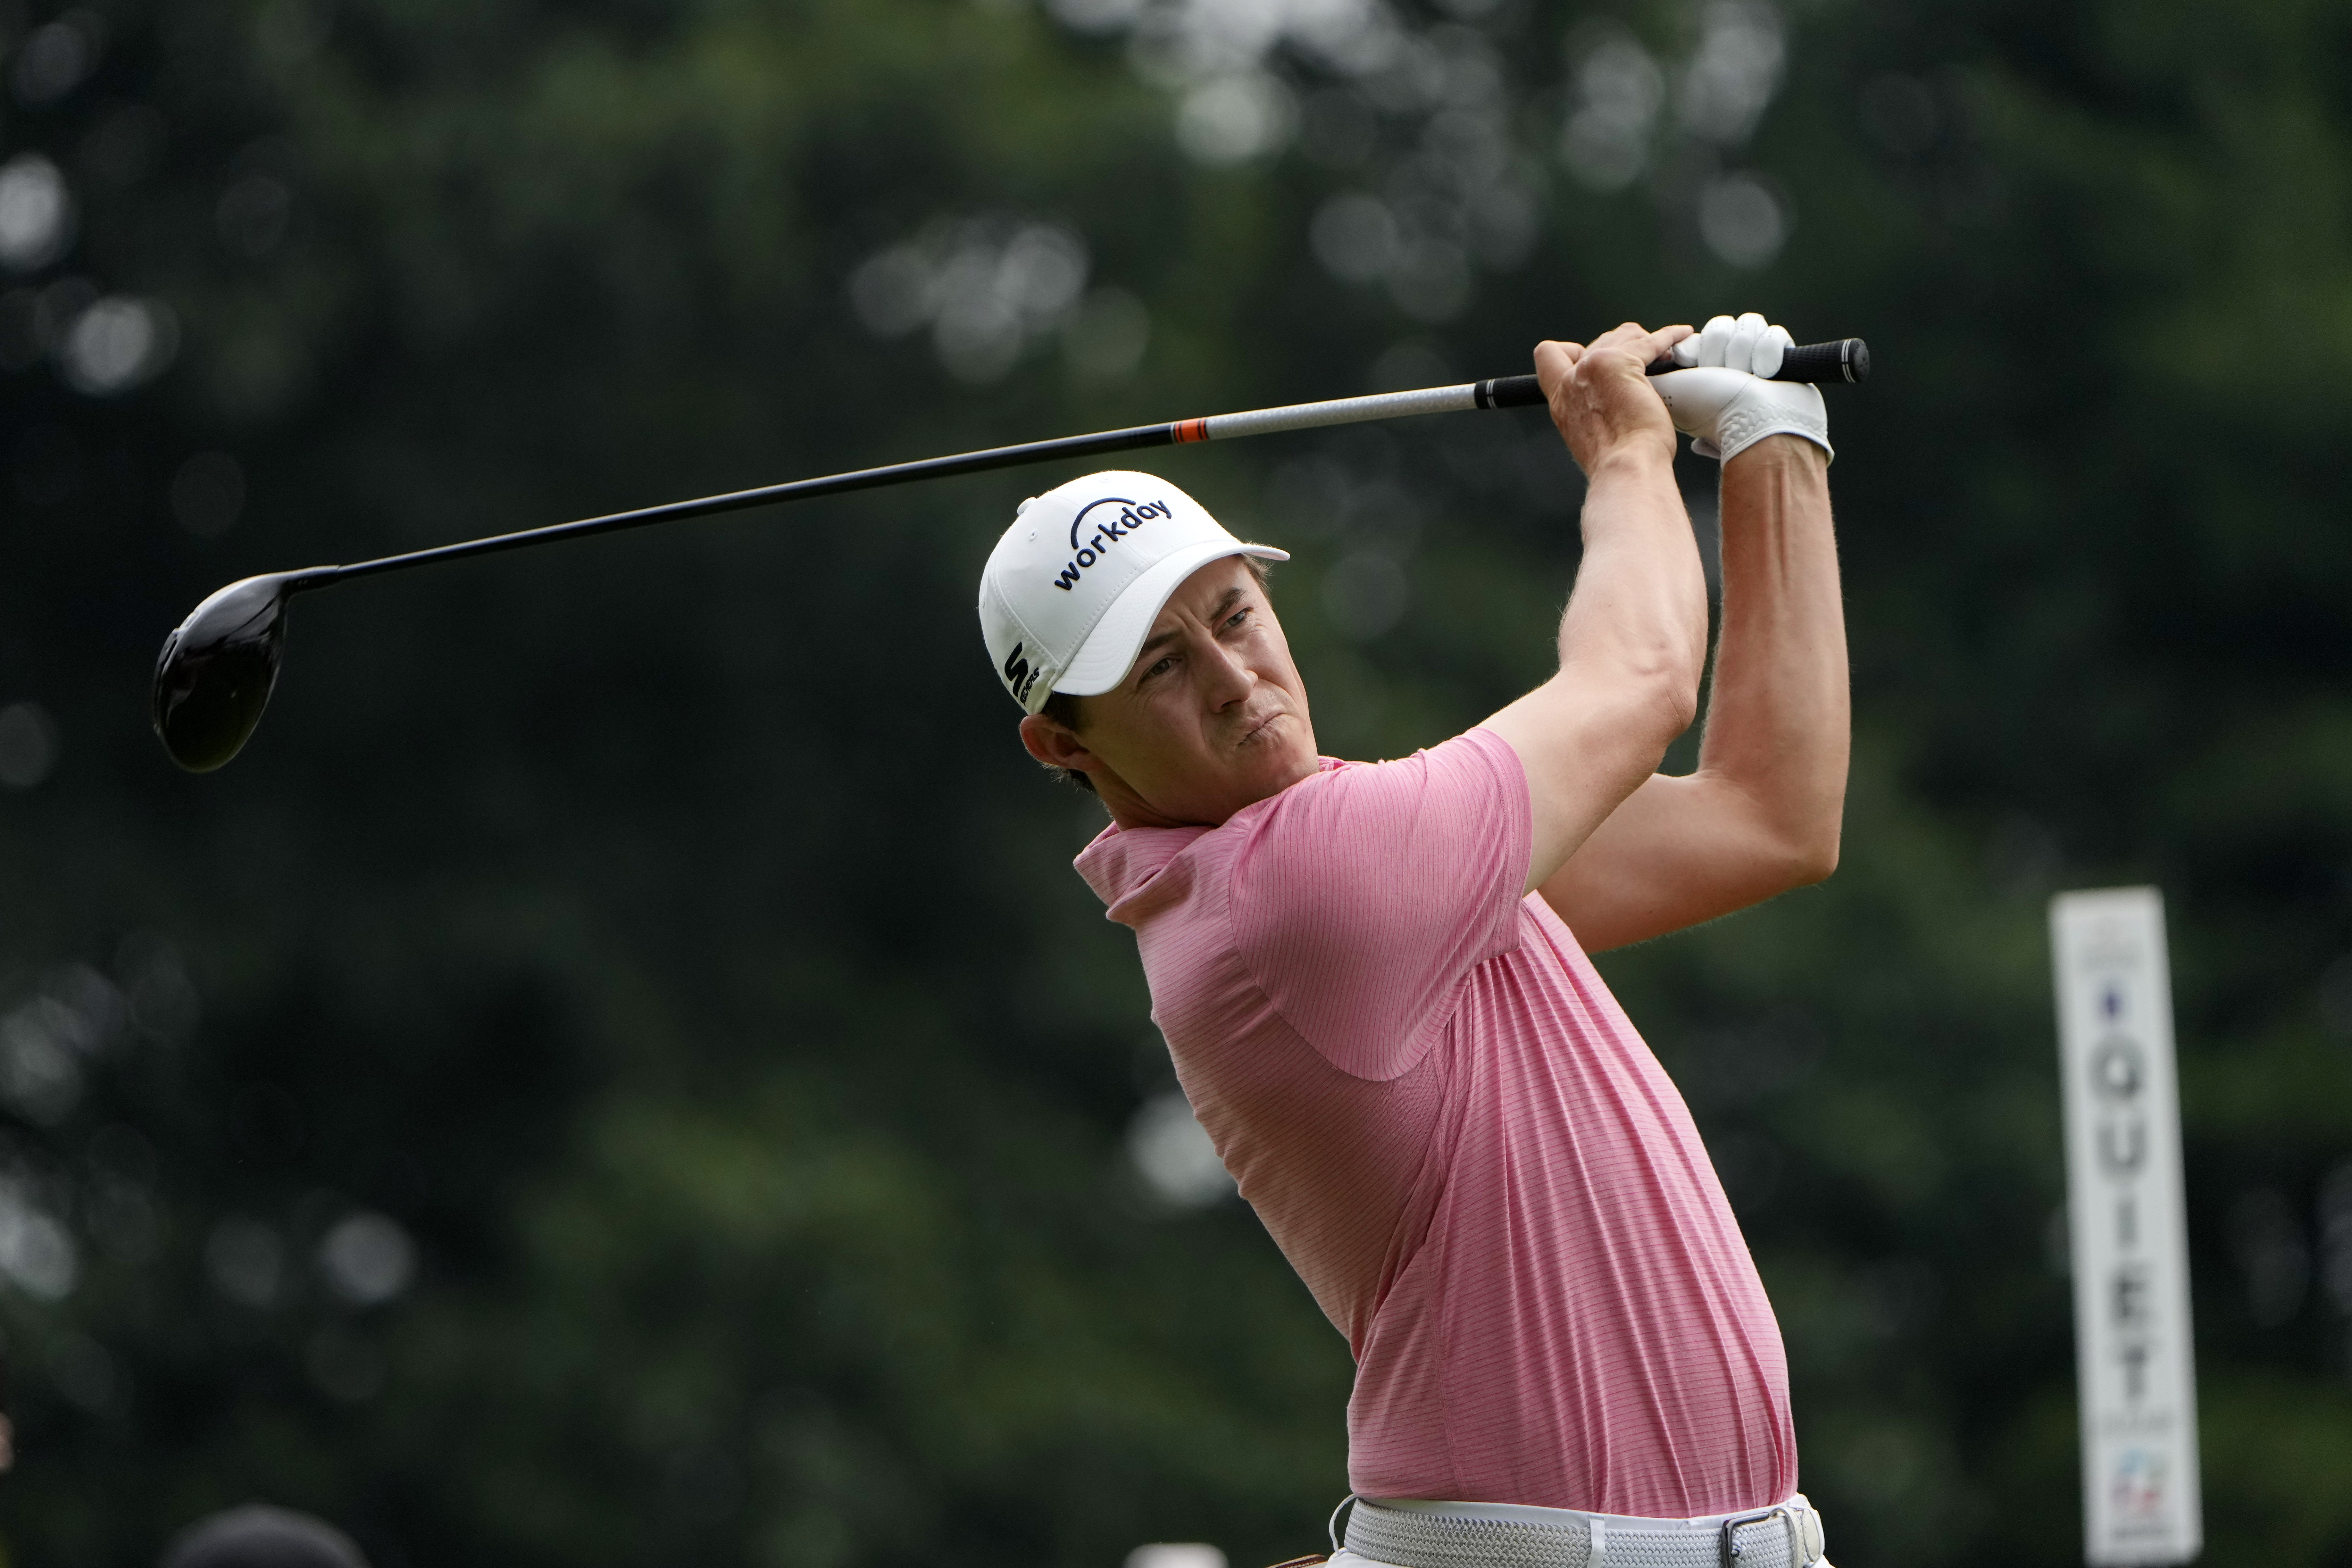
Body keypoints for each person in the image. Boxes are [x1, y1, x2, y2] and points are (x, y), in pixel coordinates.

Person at [978, 313, 1847, 1568]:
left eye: (1234, 611)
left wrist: (1775, 448)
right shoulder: (1295, 890)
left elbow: (1769, 815)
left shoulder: (1378, 852)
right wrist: (1624, 452)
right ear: (1064, 744)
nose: (1233, 675)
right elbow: (1644, 676)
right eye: (1161, 664)